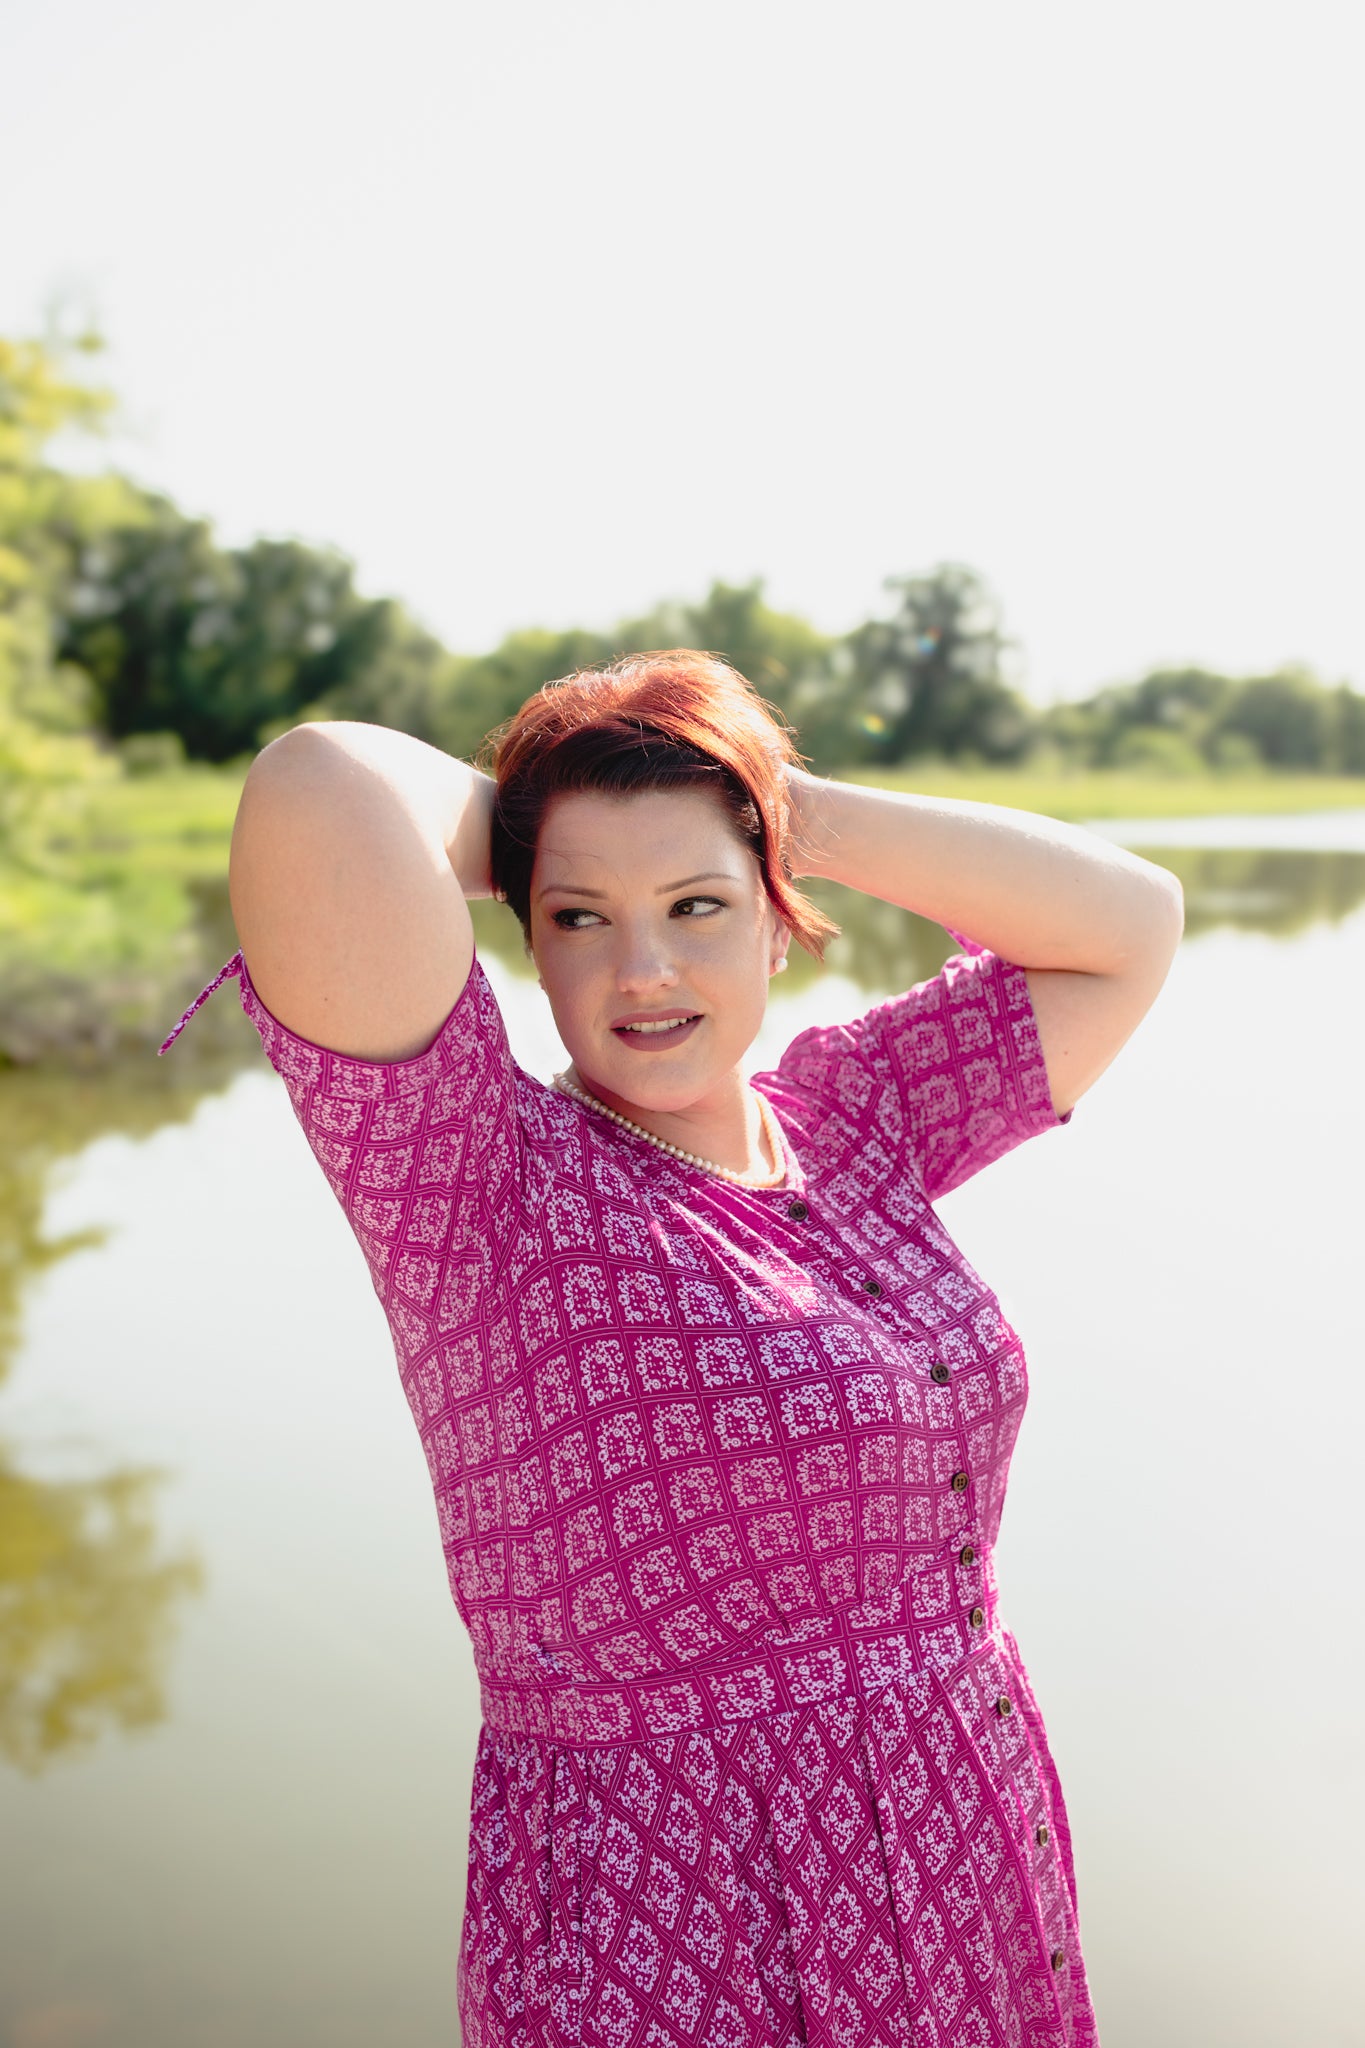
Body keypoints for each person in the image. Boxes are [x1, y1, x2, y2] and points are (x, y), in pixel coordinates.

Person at [162, 651, 1183, 2048]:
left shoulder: (857, 1118)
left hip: (960, 1848)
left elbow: (1129, 923)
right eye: (578, 916)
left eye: (698, 906)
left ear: (775, 924)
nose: (641, 969)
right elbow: (319, 789)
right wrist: (559, 808)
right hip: (672, 1902)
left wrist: (766, 804)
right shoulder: (479, 1183)